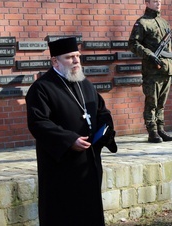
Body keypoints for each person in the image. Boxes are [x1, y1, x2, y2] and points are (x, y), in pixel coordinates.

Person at [25, 37, 117, 226]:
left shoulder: (85, 83)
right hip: (61, 166)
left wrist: (104, 130)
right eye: (69, 57)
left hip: (88, 163)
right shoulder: (42, 88)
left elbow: (102, 111)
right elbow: (38, 123)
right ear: (55, 61)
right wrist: (69, 140)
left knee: (89, 211)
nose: (76, 61)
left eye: (77, 56)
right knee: (64, 213)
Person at [128, 0, 172, 143]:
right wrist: (149, 54)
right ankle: (152, 131)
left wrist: (171, 64)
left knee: (162, 103)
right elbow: (133, 44)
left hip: (166, 68)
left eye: (159, 2)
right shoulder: (142, 23)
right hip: (152, 70)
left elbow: (169, 48)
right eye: (155, 1)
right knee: (152, 102)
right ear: (147, 2)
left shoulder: (164, 22)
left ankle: (161, 129)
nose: (158, 4)